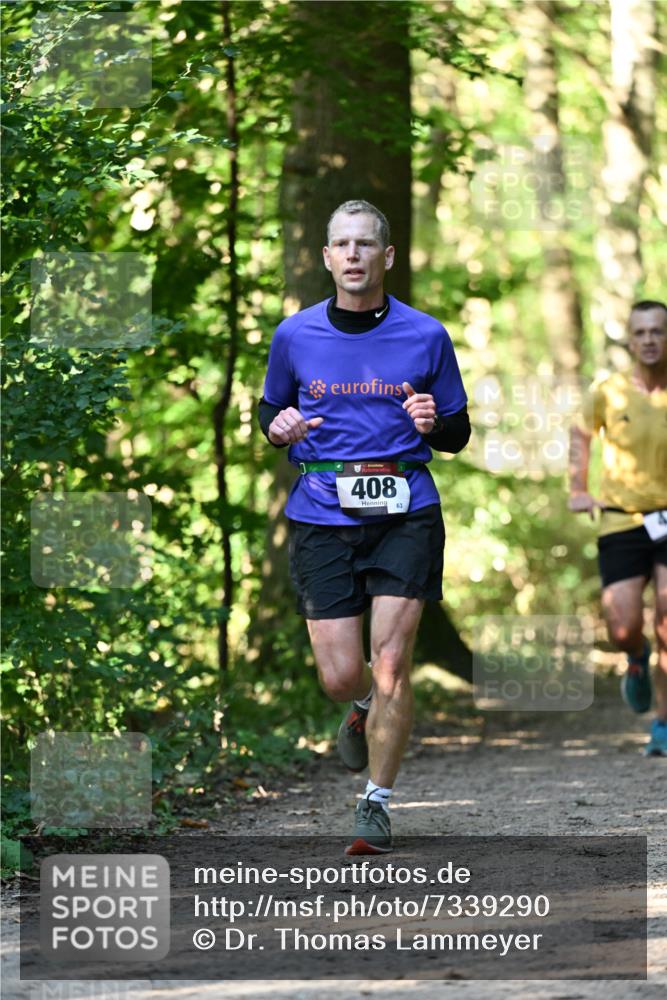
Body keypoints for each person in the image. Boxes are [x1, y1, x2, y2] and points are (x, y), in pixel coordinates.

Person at [258, 199, 470, 853]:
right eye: (342, 244)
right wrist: (279, 427)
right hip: (321, 512)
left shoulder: (425, 335)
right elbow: (270, 412)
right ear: (326, 257)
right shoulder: (294, 335)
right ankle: (357, 709)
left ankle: (375, 803)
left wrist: (434, 423)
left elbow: (457, 431)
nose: (353, 254)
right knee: (342, 676)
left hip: (406, 508)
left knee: (392, 666)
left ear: (387, 256)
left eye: (365, 243)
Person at [569, 300, 667, 756]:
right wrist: (578, 487)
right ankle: (635, 657)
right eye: (641, 332)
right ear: (629, 340)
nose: (649, 340)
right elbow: (581, 433)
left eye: (658, 331)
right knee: (623, 627)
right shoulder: (608, 391)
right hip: (620, 519)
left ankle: (662, 723)